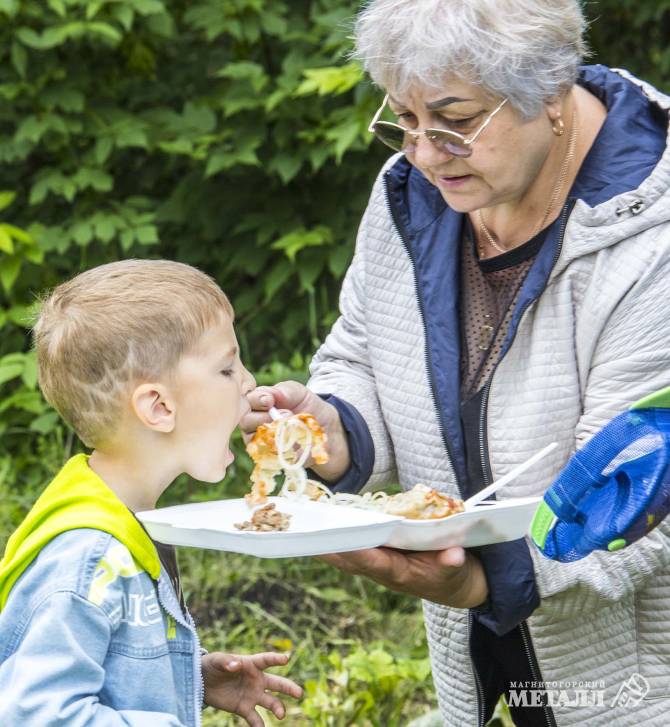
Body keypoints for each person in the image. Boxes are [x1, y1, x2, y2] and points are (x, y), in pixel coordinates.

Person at [242, 0, 670, 724]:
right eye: (405, 120)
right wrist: (328, 426)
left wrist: (477, 579)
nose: (423, 152)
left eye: (454, 120)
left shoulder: (652, 243)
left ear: (550, 92)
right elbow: (362, 353)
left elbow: (632, 487)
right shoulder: (411, 198)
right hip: (479, 664)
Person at [0, 260, 303, 726]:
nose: (248, 382)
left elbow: (106, 668)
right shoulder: (90, 557)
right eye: (226, 369)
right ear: (159, 407)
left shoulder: (127, 522)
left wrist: (192, 678)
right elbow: (38, 714)